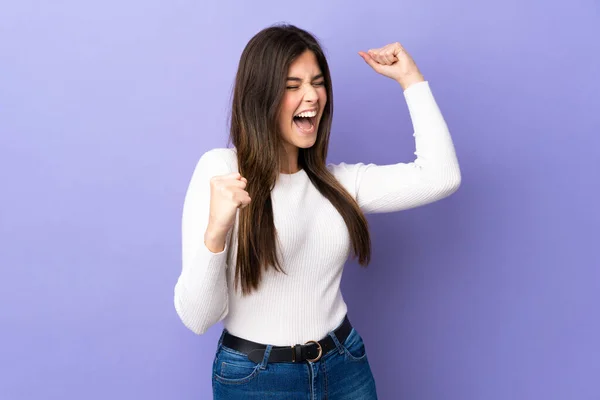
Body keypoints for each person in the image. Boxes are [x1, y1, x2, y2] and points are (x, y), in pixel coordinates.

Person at [173, 24, 461, 399]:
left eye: (318, 82)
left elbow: (441, 176)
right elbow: (197, 319)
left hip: (345, 366)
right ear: (261, 96)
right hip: (258, 380)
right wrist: (216, 232)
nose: (311, 96)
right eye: (292, 86)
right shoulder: (222, 171)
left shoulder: (339, 184)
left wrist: (411, 79)